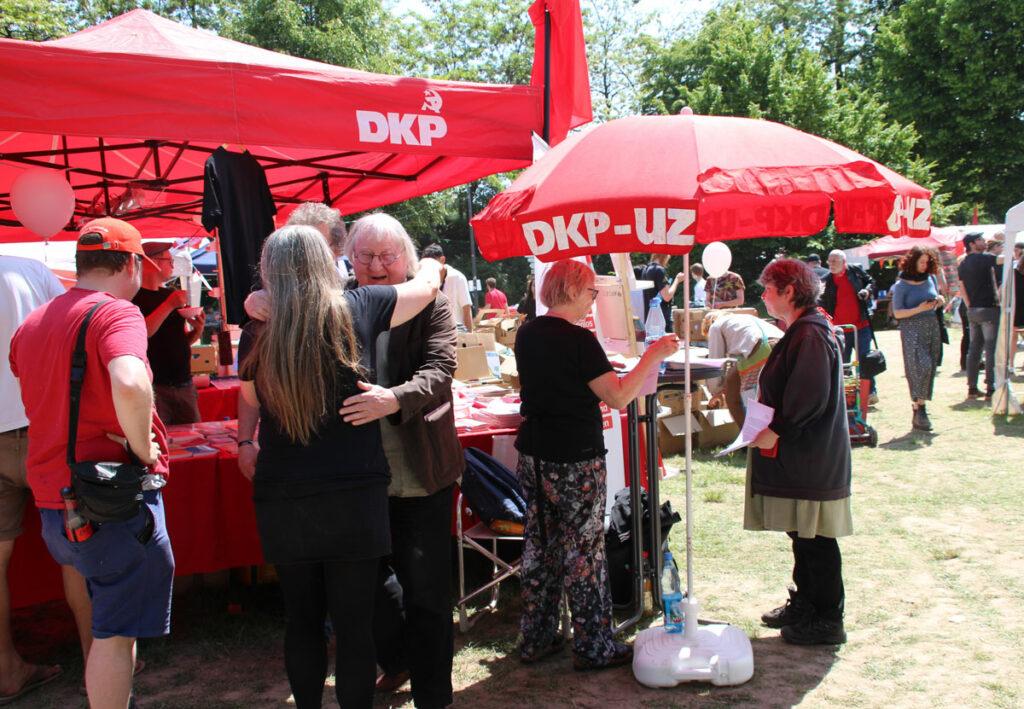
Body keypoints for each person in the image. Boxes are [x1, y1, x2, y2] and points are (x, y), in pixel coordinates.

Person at [238, 223, 441, 709]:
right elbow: (426, 287)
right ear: (328, 264)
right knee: (353, 629)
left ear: (270, 272)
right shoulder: (360, 308)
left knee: (301, 623)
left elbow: (247, 397)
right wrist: (432, 261)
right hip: (352, 494)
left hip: (284, 493)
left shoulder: (259, 329)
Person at [10, 218, 174, 709]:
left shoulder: (32, 324)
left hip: (56, 497)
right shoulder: (116, 314)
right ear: (128, 264)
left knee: (110, 621)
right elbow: (128, 379)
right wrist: (143, 446)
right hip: (109, 496)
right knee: (114, 633)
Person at [514, 259, 679, 670]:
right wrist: (653, 356)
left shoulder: (528, 333)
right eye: (591, 291)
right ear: (571, 290)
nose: (593, 299)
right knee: (584, 552)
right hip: (574, 458)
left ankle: (536, 637)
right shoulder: (579, 340)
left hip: (535, 454)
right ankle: (593, 645)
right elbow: (619, 397)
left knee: (541, 547)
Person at [337, 215, 463, 708]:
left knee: (428, 591)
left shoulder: (430, 304)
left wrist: (394, 398)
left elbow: (440, 369)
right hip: (356, 471)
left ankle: (435, 696)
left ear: (407, 261)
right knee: (363, 582)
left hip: (421, 467)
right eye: (365, 256)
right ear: (351, 259)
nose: (375, 266)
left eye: (387, 256)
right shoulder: (339, 301)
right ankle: (399, 658)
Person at [748, 258, 852, 646]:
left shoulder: (809, 333)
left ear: (789, 291)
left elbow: (809, 395)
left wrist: (777, 430)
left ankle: (827, 617)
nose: (763, 296)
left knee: (816, 537)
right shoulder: (805, 328)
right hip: (805, 454)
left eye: (769, 289)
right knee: (802, 534)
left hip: (810, 454)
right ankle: (806, 603)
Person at [0, 255, 65, 704]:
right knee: (77, 545)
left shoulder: (27, 269)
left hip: (29, 426)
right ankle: (102, 653)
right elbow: (68, 332)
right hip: (41, 427)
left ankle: (7, 669)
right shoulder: (29, 270)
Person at [132, 242, 204, 424]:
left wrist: (198, 330)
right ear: (151, 261)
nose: (173, 264)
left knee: (194, 440)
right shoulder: (133, 297)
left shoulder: (170, 295)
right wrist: (169, 305)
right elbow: (143, 332)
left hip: (185, 384)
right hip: (155, 388)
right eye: (169, 260)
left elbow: (178, 341)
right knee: (160, 444)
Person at [891, 247, 945, 431]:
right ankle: (919, 407)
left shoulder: (930, 278)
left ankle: (919, 407)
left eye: (927, 262)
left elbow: (936, 297)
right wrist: (919, 309)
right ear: (913, 261)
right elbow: (897, 313)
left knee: (930, 367)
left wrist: (939, 301)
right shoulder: (901, 285)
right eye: (922, 262)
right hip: (911, 329)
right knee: (920, 366)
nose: (925, 265)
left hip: (931, 327)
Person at [702, 311, 783, 427]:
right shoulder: (743, 318)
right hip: (782, 346)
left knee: (749, 400)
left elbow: (715, 362)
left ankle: (750, 436)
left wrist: (716, 391)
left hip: (760, 350)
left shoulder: (715, 326)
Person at [820, 249, 877, 402]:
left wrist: (867, 290)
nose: (831, 264)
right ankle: (848, 395)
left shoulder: (855, 271)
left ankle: (870, 392)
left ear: (844, 262)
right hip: (840, 330)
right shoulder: (826, 280)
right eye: (829, 261)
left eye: (835, 261)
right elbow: (821, 303)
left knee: (865, 359)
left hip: (862, 325)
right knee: (844, 363)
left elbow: (872, 282)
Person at [958, 231, 1003, 399]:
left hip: (973, 310)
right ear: (972, 243)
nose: (984, 241)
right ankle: (991, 388)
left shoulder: (962, 263)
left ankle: (972, 388)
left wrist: (970, 306)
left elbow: (961, 287)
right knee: (990, 349)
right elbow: (1005, 259)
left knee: (974, 349)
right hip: (988, 309)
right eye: (981, 239)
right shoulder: (985, 259)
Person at [287, 201, 351, 278]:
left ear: (336, 246)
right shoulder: (287, 281)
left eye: (319, 246)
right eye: (303, 247)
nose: (311, 254)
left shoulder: (352, 274)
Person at [422, 244, 473, 331]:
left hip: (456, 334)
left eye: (432, 264)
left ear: (442, 260)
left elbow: (467, 310)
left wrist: (470, 338)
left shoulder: (458, 278)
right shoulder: (425, 278)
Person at [641, 254, 684, 322]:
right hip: (660, 319)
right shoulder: (659, 270)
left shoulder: (645, 269)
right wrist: (677, 280)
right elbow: (667, 296)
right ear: (665, 256)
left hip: (649, 317)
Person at [1014, 255, 1024, 371]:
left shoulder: (1014, 275)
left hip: (1017, 312)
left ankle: (1011, 365)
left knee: (1013, 340)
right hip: (1019, 312)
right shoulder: (1015, 275)